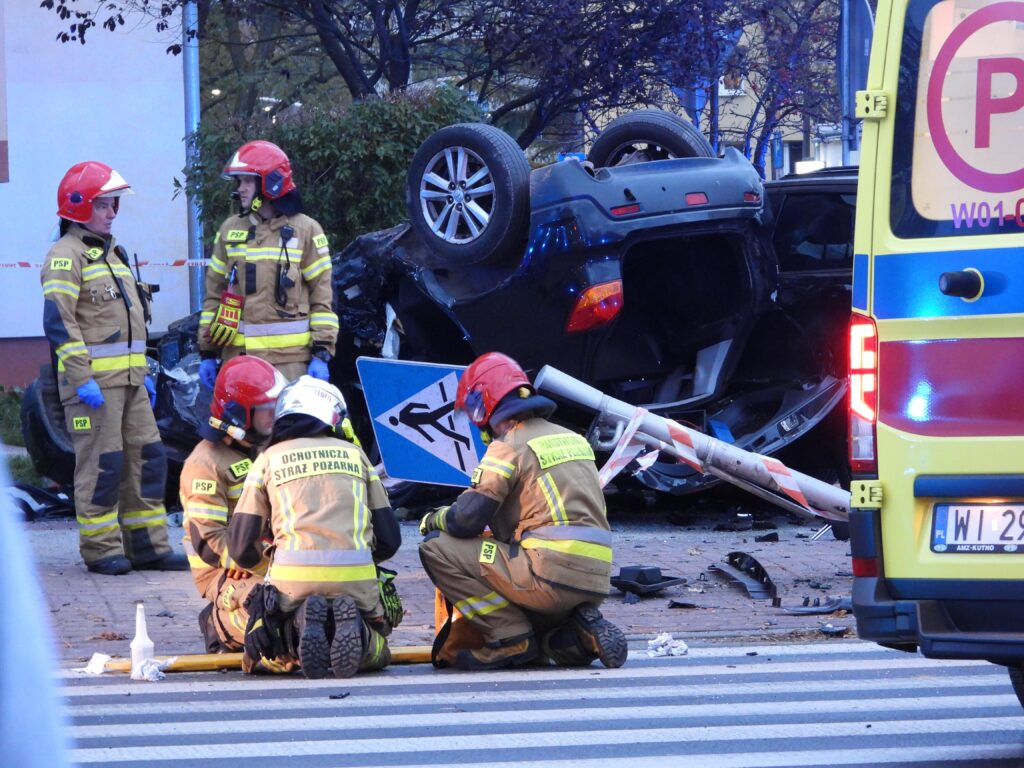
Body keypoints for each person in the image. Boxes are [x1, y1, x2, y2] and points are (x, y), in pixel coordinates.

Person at [418, 352, 627, 670]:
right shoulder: (573, 439)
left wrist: (433, 518)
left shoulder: (510, 444)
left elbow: (466, 520)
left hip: (545, 576)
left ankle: (509, 637)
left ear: (482, 404)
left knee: (437, 546)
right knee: (543, 648)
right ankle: (575, 635)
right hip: (595, 581)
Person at [41, 161, 186, 575]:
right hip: (93, 388)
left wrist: (144, 374)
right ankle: (101, 549)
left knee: (148, 459)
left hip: (132, 384)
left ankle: (148, 547)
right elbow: (59, 323)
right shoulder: (65, 257)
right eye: (104, 205)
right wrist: (82, 380)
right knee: (103, 466)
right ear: (80, 207)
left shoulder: (111, 254)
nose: (112, 213)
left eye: (114, 205)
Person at [227, 376, 402, 679]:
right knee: (379, 651)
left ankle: (296, 629)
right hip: (356, 578)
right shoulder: (355, 455)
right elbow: (390, 539)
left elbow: (241, 547)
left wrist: (269, 564)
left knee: (271, 648)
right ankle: (361, 635)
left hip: (291, 580)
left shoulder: (269, 459)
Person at [199, 140, 338, 387]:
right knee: (238, 428)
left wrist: (322, 353)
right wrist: (207, 352)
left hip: (291, 366)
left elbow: (323, 298)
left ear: (270, 183)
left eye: (247, 181)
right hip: (239, 363)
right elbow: (213, 296)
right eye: (238, 182)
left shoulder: (306, 230)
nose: (240, 188)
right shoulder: (230, 230)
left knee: (291, 427)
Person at [180, 356, 286, 654]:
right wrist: (259, 564)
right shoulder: (205, 464)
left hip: (267, 561)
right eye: (267, 410)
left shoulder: (263, 447)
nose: (274, 416)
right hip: (224, 571)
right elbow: (209, 542)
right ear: (240, 416)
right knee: (273, 606)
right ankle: (218, 622)